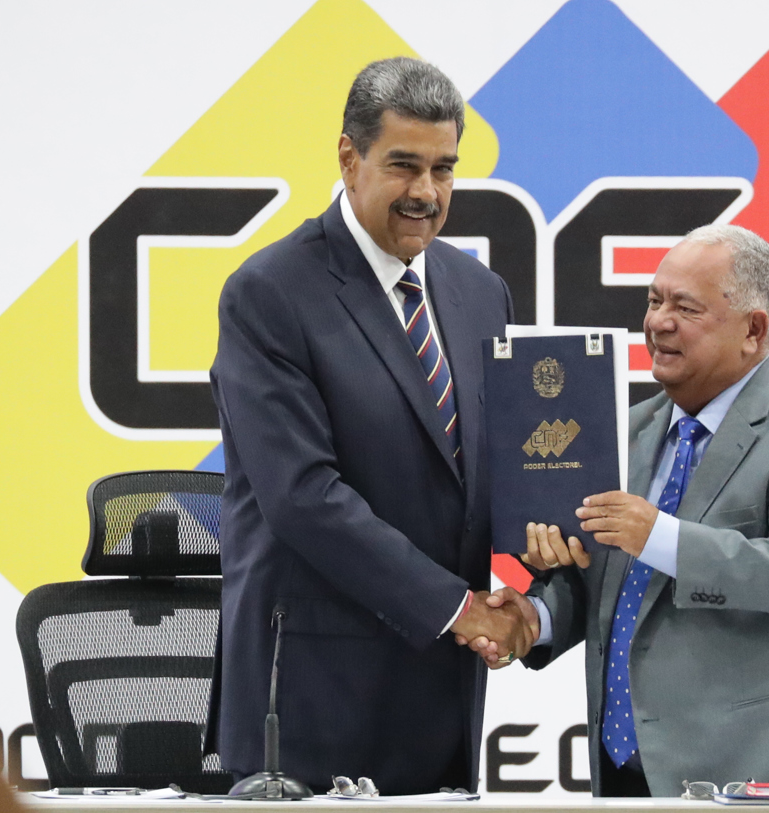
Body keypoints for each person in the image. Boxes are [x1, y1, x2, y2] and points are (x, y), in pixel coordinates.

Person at [468, 224, 769, 796]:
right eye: (654, 300)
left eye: (685, 307)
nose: (658, 322)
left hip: (768, 784)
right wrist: (533, 620)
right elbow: (605, 582)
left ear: (753, 331)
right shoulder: (626, 431)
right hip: (631, 783)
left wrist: (660, 536)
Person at [209, 56, 530, 794]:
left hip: (442, 694)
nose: (426, 192)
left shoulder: (482, 293)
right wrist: (457, 609)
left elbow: (493, 473)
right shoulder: (269, 293)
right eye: (404, 165)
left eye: (444, 169)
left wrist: (539, 576)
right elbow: (304, 497)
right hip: (312, 704)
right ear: (349, 159)